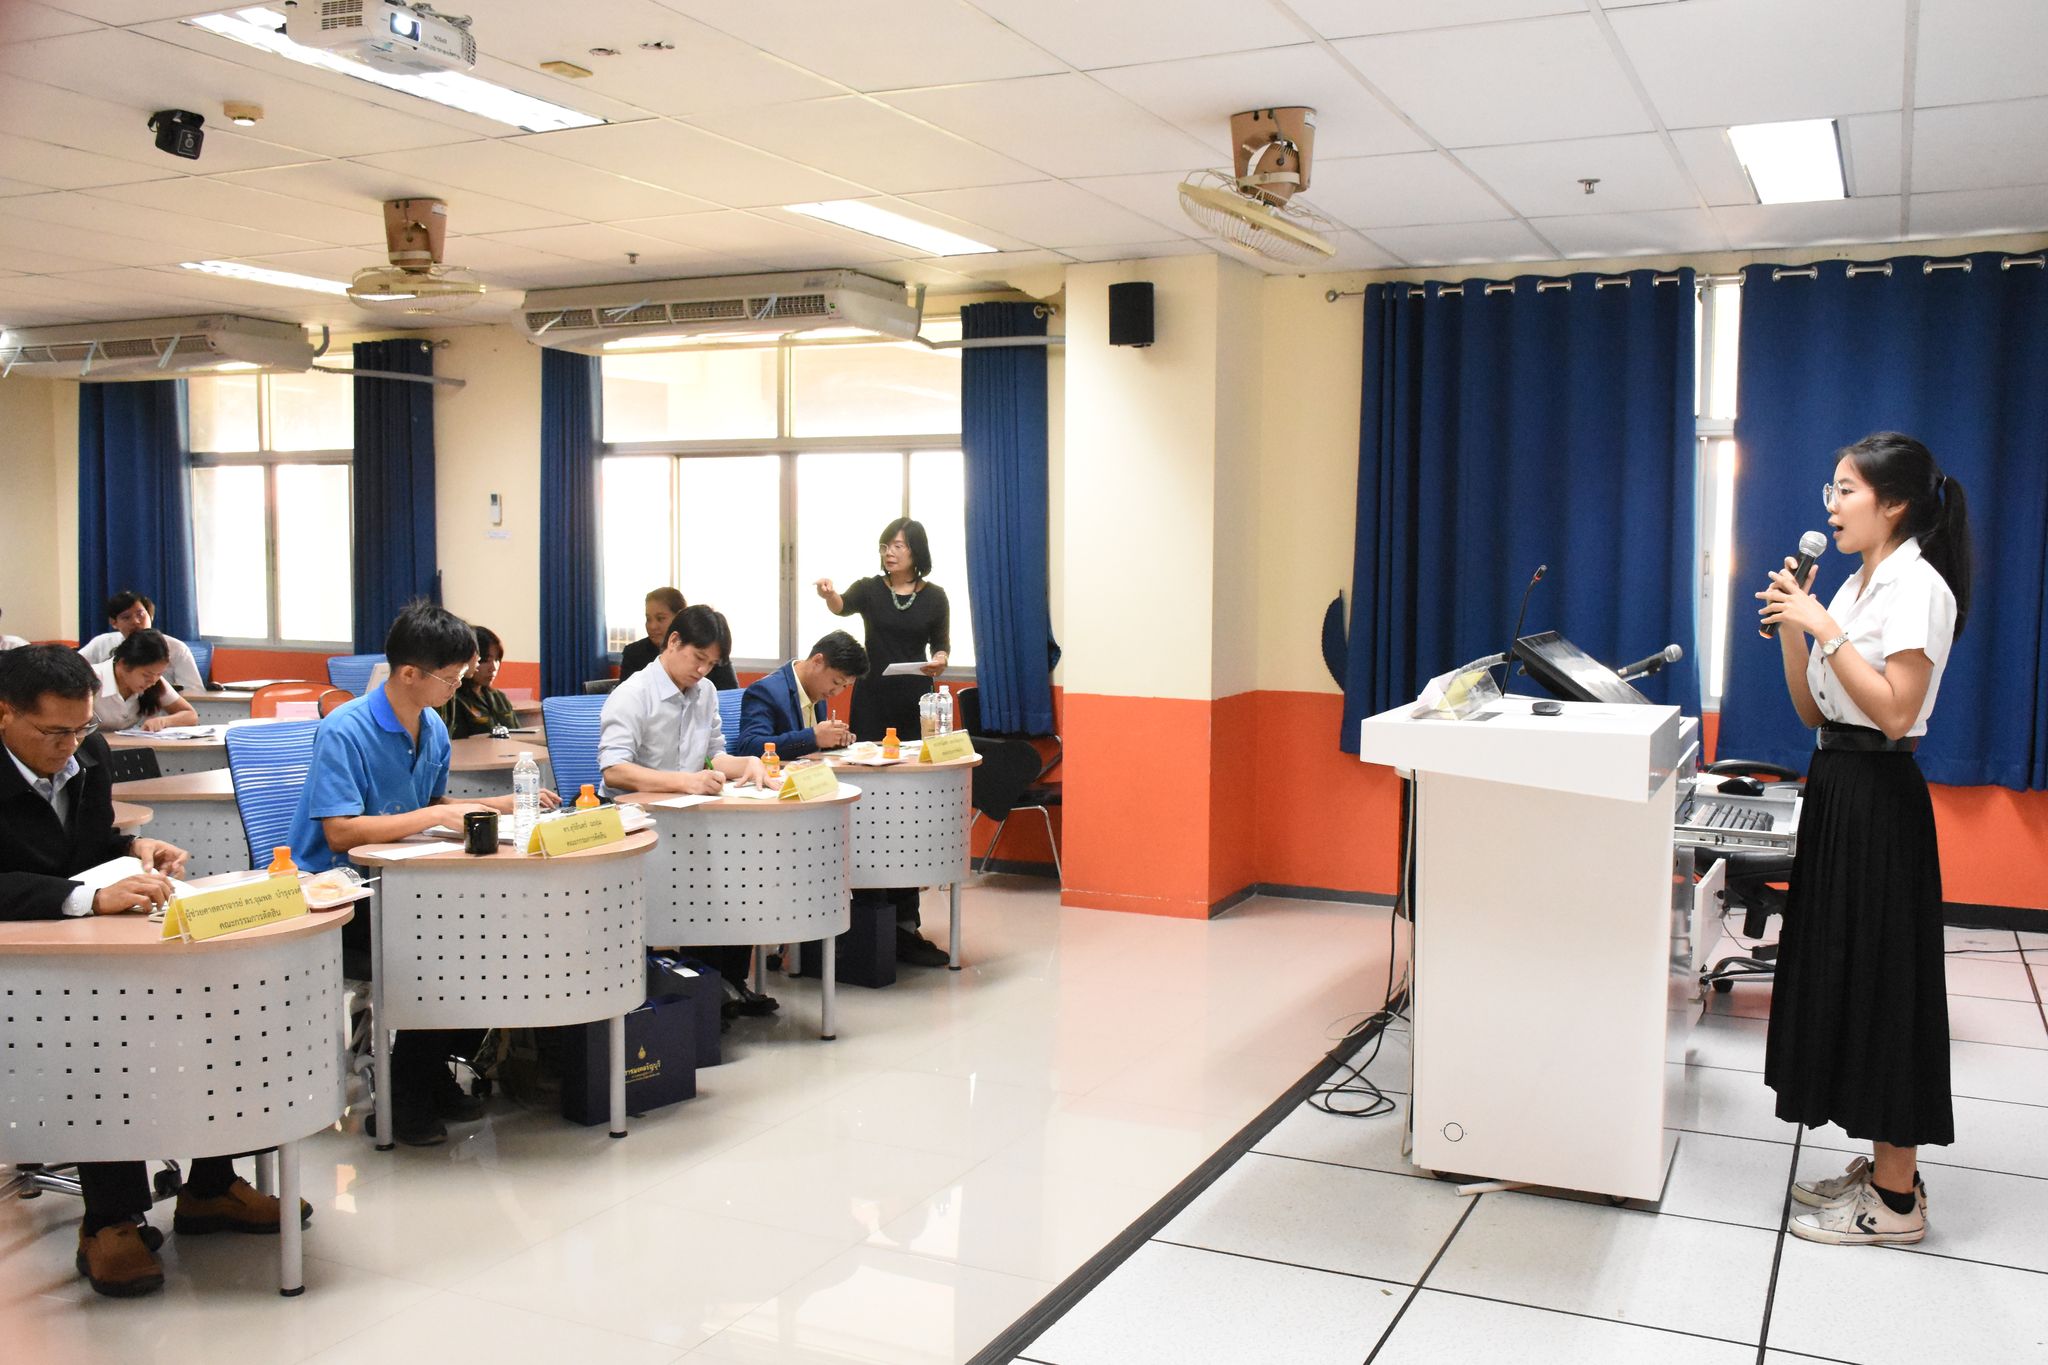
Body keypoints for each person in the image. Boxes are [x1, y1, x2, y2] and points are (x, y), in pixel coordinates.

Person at [0, 645, 304, 1298]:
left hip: (85, 942)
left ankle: (210, 1186)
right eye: (53, 732)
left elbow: (87, 846)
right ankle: (110, 1221)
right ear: (4, 714)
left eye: (81, 728)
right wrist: (85, 897)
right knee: (98, 1037)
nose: (70, 746)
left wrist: (134, 847)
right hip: (18, 961)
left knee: (211, 1002)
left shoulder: (87, 751)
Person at [1754, 432, 1971, 1248]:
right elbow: (1815, 711)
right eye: (1832, 488)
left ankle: (1896, 1202)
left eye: (1846, 489)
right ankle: (1885, 1168)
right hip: (1839, 785)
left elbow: (1895, 711)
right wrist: (1795, 627)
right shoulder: (1854, 583)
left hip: (1882, 796)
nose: (1832, 504)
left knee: (1886, 986)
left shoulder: (1919, 586)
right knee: (1847, 976)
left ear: (1895, 502)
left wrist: (1825, 628)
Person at [288, 602, 560, 1146]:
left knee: (492, 936)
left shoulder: (431, 725)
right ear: (409, 673)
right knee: (445, 948)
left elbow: (428, 804)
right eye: (451, 678)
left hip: (406, 884)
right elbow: (340, 833)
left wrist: (497, 804)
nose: (458, 688)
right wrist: (433, 817)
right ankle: (405, 1091)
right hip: (336, 893)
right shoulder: (345, 730)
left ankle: (428, 1071)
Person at [599, 604, 772, 1011]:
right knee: (703, 885)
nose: (703, 671)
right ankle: (695, 994)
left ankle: (723, 984)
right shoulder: (634, 694)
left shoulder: (705, 692)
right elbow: (615, 770)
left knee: (739, 876)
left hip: (689, 816)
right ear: (673, 641)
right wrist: (686, 781)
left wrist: (748, 763)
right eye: (699, 658)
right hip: (639, 822)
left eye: (711, 664)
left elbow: (714, 754)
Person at [814, 517, 952, 966]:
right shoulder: (871, 589)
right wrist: (829, 594)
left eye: (898, 546)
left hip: (915, 703)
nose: (890, 552)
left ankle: (906, 922)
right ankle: (868, 909)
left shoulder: (935, 597)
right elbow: (841, 607)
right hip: (873, 701)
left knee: (908, 803)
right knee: (871, 796)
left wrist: (939, 661)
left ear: (916, 552)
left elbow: (941, 646)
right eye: (886, 545)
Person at [734, 630, 868, 760]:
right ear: (817, 661)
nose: (836, 692)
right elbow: (749, 747)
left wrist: (834, 740)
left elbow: (809, 748)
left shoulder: (819, 691)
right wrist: (814, 737)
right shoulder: (766, 691)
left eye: (845, 686)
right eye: (836, 682)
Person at [79, 592, 204, 693]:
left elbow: (194, 691)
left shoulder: (177, 648)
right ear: (114, 623)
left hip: (159, 709)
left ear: (151, 616)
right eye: (126, 617)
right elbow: (74, 669)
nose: (136, 621)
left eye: (140, 615)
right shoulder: (101, 643)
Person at [619, 588, 737, 690]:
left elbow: (731, 695)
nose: (652, 626)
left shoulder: (712, 651)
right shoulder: (634, 654)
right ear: (673, 641)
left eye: (660, 618)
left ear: (680, 617)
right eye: (648, 619)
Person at [89, 629, 199, 732]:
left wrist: (163, 721)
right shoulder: (91, 679)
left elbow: (190, 715)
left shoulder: (154, 680)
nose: (153, 681)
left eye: (159, 674)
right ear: (123, 664)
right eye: (146, 675)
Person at [436, 624, 520, 739]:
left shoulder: (499, 697)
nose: (493, 667)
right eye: (485, 660)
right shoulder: (453, 699)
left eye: (497, 659)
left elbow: (519, 733)